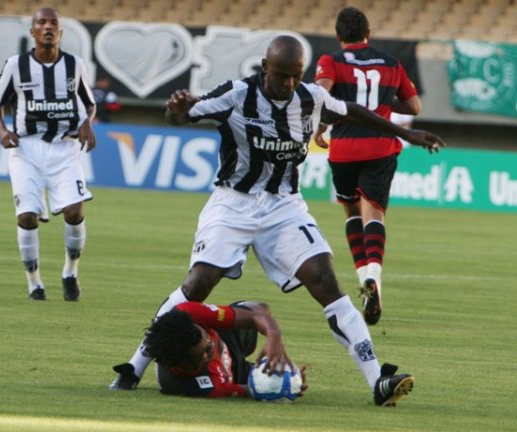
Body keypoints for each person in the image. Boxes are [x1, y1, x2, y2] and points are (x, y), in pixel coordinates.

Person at [110, 35, 444, 406]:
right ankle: (134, 367)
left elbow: (351, 111)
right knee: (199, 283)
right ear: (265, 67)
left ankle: (377, 379)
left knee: (325, 280)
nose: (288, 84)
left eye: (295, 75)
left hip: (284, 207)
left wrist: (405, 132)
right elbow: (184, 116)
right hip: (233, 203)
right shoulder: (236, 94)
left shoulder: (312, 98)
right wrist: (176, 109)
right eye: (281, 75)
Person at [314, 6, 430, 325]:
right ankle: (375, 279)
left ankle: (363, 276)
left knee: (351, 212)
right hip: (381, 147)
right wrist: (382, 99)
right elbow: (413, 105)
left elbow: (320, 95)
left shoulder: (331, 61)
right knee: (374, 214)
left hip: (344, 150)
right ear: (369, 34)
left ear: (339, 36)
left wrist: (321, 127)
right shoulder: (391, 62)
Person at [0, 7, 96, 301]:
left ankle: (70, 273)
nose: (48, 27)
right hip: (26, 149)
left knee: (75, 212)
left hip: (64, 147)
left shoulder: (74, 65)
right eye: (41, 23)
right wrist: (1, 130)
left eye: (53, 23)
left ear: (60, 32)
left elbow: (89, 103)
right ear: (33, 31)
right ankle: (34, 282)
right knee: (26, 217)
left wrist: (88, 123)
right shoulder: (16, 65)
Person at [144, 300, 307, 398]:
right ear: (184, 365)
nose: (211, 345)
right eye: (205, 352)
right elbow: (252, 389)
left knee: (258, 307)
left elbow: (259, 316)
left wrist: (274, 335)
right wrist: (285, 383)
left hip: (229, 338)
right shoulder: (186, 386)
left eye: (206, 338)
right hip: (237, 374)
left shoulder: (189, 313)